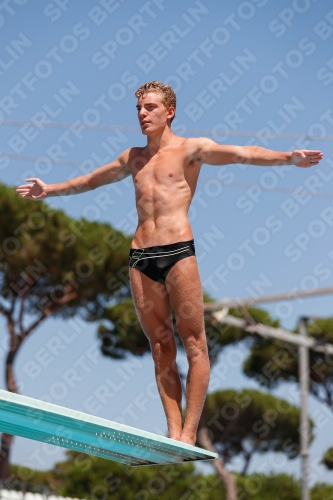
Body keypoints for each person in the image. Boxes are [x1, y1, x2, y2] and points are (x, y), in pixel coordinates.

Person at [16, 81, 323, 446]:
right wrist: (49, 189)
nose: (142, 115)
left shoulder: (191, 149)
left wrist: (288, 157)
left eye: (150, 108)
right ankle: (173, 431)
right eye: (139, 109)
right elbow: (90, 181)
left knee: (194, 343)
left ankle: (190, 432)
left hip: (178, 251)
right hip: (140, 257)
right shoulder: (132, 158)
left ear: (169, 111)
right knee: (160, 347)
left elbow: (243, 153)